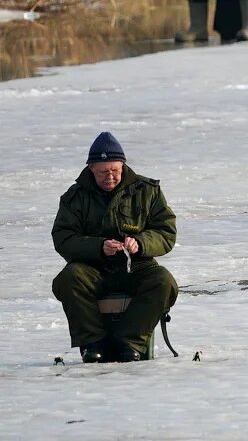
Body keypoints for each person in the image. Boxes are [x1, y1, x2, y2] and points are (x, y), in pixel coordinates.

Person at [51, 132, 179, 362]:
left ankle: (130, 342)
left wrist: (140, 243)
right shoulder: (75, 197)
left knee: (164, 282)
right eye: (103, 172)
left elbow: (166, 232)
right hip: (93, 269)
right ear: (91, 168)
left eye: (115, 171)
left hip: (137, 267)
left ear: (123, 166)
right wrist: (98, 247)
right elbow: (63, 238)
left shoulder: (147, 191)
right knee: (69, 278)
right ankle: (92, 343)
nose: (110, 177)